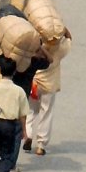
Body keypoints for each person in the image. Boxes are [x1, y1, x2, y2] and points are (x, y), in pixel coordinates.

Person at [24, 23, 72, 156]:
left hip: (34, 84)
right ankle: (41, 145)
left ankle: (27, 134)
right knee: (46, 113)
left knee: (30, 111)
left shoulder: (37, 48)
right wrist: (63, 28)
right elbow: (69, 38)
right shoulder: (59, 49)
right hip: (49, 86)